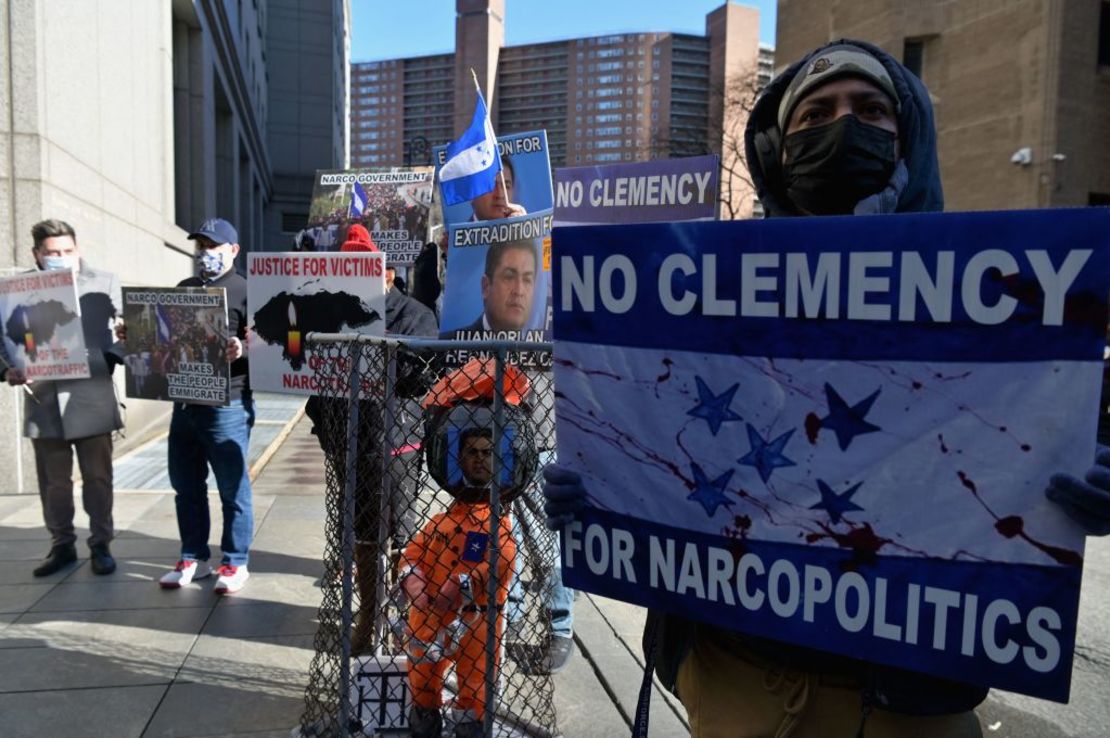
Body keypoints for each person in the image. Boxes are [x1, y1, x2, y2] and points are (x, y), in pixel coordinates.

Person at [544, 39, 1110, 737]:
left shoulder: (1004, 300)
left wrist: (1076, 466)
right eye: (814, 115)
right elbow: (656, 425)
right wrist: (596, 480)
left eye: (870, 109)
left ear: (909, 142)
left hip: (909, 697)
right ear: (778, 148)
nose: (842, 126)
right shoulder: (700, 297)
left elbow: (1025, 437)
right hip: (734, 675)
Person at [304, 222, 438, 654]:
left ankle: (404, 616)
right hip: (347, 439)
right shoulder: (332, 310)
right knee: (362, 529)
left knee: (402, 531)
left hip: (396, 442)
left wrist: (381, 349)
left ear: (387, 274)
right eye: (347, 268)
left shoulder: (413, 313)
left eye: (363, 267)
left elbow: (421, 377)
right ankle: (370, 612)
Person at [1, 219, 122, 577]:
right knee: (54, 482)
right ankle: (61, 545)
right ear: (37, 254)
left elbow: (125, 333)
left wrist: (112, 353)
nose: (61, 258)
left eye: (67, 251)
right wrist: (8, 369)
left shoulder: (104, 282)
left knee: (98, 477)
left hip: (92, 396)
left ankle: (101, 544)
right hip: (43, 398)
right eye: (52, 253)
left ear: (77, 249)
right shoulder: (15, 290)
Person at [157, 218, 253, 594]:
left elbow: (270, 342)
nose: (205, 253)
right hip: (185, 403)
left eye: (212, 246)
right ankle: (193, 556)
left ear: (233, 250)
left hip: (227, 402)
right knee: (186, 485)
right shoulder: (185, 288)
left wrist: (243, 349)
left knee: (233, 487)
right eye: (200, 246)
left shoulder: (247, 291)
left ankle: (235, 561)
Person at [459, 239, 537, 333]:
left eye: (527, 280)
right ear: (486, 286)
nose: (519, 291)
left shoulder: (546, 346)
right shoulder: (450, 345)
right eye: (509, 277)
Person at [471, 155, 525, 222]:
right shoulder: (455, 232)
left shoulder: (527, 231)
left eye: (506, 186)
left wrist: (524, 229)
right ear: (472, 194)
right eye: (490, 185)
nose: (500, 194)